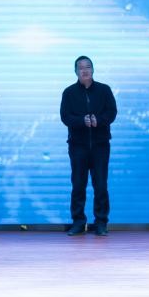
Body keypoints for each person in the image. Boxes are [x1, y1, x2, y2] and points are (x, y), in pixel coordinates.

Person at [59, 55, 117, 236]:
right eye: (81, 67)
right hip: (78, 146)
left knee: (101, 185)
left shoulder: (104, 90)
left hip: (100, 145)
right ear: (76, 71)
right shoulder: (69, 92)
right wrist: (81, 121)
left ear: (93, 69)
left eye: (88, 67)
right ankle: (78, 222)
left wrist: (99, 120)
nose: (85, 70)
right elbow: (65, 117)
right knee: (78, 185)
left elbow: (112, 112)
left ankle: (101, 223)